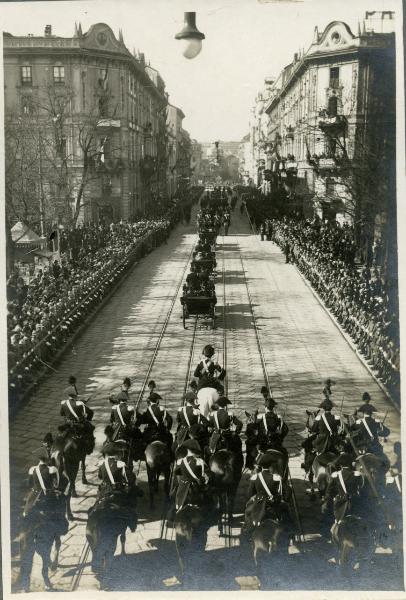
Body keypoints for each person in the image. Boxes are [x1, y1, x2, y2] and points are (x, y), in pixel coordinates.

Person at [321, 453, 364, 523]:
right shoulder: (357, 475)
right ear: (351, 463)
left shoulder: (335, 475)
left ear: (340, 465)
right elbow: (361, 487)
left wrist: (326, 501)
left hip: (340, 504)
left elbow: (329, 492)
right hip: (355, 503)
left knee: (337, 521)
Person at [173, 439, 210, 511]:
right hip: (196, 491)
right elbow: (207, 477)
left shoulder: (179, 461)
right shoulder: (200, 461)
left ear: (186, 450)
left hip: (182, 492)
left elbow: (177, 477)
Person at [23, 448, 59, 517]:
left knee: (27, 510)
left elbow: (29, 484)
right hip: (48, 495)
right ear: (47, 458)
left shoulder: (32, 469)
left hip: (34, 494)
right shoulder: (52, 469)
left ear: (39, 459)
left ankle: (26, 513)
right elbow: (56, 485)